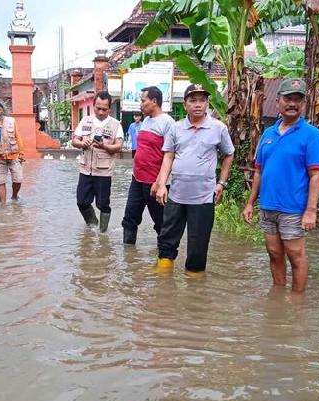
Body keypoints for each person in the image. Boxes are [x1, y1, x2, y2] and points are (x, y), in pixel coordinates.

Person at [242, 78, 319, 293]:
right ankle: (278, 296)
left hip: (293, 208)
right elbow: (259, 170)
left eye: (298, 100)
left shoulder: (311, 135)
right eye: (288, 98)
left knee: (295, 255)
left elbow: (316, 175)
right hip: (268, 206)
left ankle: (297, 303)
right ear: (278, 101)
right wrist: (250, 203)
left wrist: (311, 211)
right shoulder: (268, 134)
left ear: (304, 104)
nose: (292, 104)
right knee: (274, 253)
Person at [153, 84, 235, 274]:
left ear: (207, 103)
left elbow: (229, 154)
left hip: (204, 197)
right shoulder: (176, 128)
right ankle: (163, 284)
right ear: (185, 104)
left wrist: (221, 182)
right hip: (176, 195)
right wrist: (162, 185)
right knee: (167, 240)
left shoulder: (218, 128)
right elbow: (168, 156)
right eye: (193, 100)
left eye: (202, 100)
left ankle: (195, 292)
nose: (198, 104)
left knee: (198, 246)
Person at [121, 86, 175, 245]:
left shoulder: (168, 123)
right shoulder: (146, 121)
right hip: (137, 179)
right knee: (129, 218)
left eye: (143, 100)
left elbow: (171, 155)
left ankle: (164, 257)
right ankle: (129, 261)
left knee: (161, 223)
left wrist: (159, 183)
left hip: (155, 183)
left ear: (154, 101)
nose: (141, 104)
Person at [71, 91, 124, 232]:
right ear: (93, 106)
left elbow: (118, 146)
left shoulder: (116, 125)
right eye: (97, 108)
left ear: (110, 109)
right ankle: (93, 224)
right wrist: (82, 144)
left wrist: (104, 146)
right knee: (82, 202)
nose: (100, 112)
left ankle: (103, 233)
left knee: (103, 204)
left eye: (104, 109)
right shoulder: (85, 121)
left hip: (104, 171)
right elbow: (75, 140)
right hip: (85, 169)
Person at [0, 101, 24, 203]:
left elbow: (18, 136)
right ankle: (3, 205)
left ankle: (14, 196)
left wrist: (21, 152)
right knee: (0, 182)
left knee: (18, 179)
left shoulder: (12, 121)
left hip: (14, 156)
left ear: (3, 111)